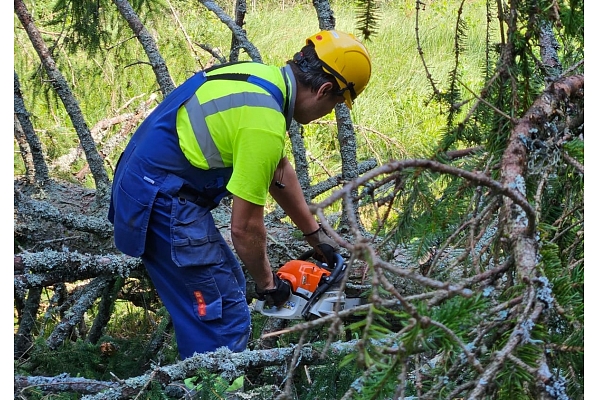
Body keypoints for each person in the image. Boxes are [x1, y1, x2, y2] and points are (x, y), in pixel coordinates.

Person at [108, 30, 372, 360]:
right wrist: (269, 285)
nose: (330, 112)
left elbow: (278, 170)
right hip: (161, 202)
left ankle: (196, 376)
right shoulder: (264, 122)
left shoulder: (261, 79)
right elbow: (244, 228)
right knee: (224, 319)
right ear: (324, 89)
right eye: (335, 104)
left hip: (145, 185)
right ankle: (208, 389)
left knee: (229, 281)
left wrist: (315, 237)